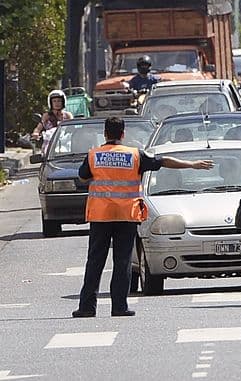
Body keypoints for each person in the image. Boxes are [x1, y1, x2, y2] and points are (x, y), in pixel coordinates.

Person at [73, 116, 213, 318]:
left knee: (95, 261)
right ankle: (119, 307)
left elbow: (83, 176)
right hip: (126, 215)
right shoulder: (134, 155)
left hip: (101, 216)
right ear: (123, 134)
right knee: (122, 261)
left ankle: (87, 307)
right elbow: (163, 161)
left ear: (105, 133)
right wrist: (192, 165)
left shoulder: (93, 155)